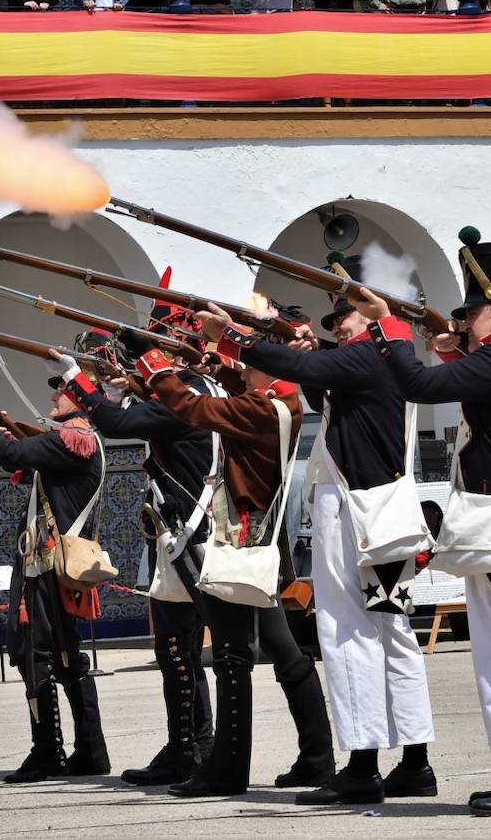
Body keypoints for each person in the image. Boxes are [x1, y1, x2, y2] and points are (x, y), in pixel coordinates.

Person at [348, 235, 491, 817]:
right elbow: (485, 397)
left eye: (472, 314)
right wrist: (452, 350)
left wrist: (384, 329)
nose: (465, 322)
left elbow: (419, 387)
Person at [203, 258, 436, 807]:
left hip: (354, 512)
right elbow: (316, 389)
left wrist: (231, 339)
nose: (338, 328)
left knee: (347, 632)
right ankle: (415, 760)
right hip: (385, 513)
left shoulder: (371, 354)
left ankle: (360, 765)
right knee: (391, 632)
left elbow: (292, 367)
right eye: (333, 321)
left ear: (376, 314)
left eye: (347, 317)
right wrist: (305, 351)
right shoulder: (383, 355)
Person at [117, 326, 334, 798]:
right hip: (256, 540)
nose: (240, 368)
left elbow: (195, 407)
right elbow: (231, 382)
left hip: (240, 538)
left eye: (249, 364)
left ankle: (228, 770)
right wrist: (201, 353)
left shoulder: (263, 406)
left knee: (235, 656)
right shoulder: (278, 399)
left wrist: (154, 360)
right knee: (285, 652)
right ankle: (317, 758)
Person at [49, 321, 215, 788]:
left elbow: (118, 424)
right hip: (181, 535)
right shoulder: (192, 391)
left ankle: (203, 749)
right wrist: (118, 389)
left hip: (189, 535)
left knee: (194, 649)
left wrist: (77, 378)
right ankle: (189, 745)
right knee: (176, 649)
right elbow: (130, 416)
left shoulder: (185, 396)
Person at [0, 379, 109, 783]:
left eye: (62, 392)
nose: (53, 397)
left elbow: (11, 453)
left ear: (79, 403)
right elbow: (23, 460)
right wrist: (3, 430)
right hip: (55, 566)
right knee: (66, 657)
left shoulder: (70, 440)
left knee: (37, 656)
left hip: (45, 567)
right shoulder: (77, 442)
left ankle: (47, 751)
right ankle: (91, 752)